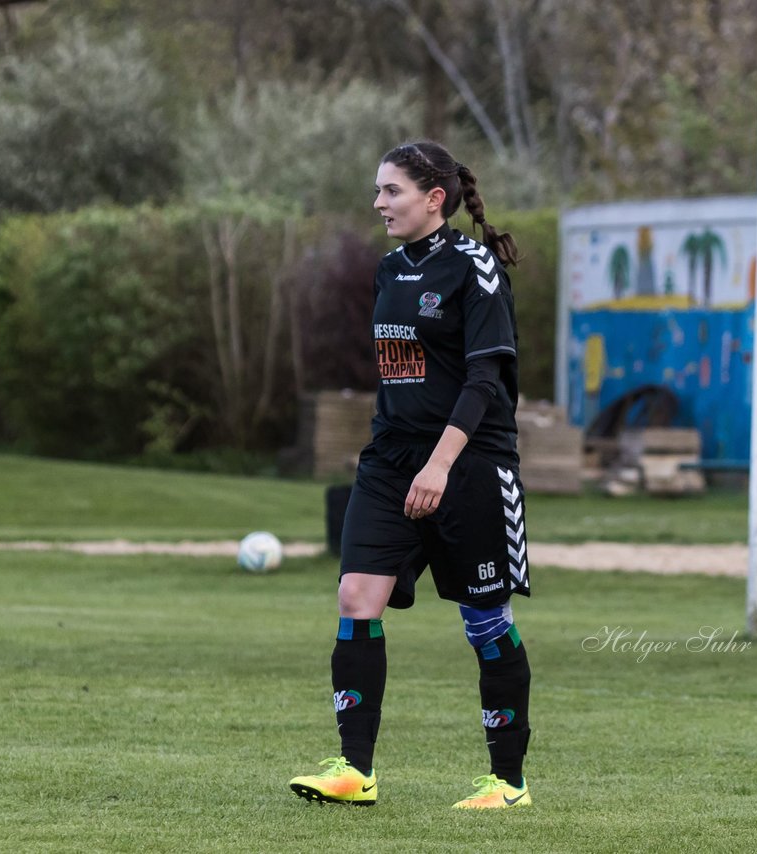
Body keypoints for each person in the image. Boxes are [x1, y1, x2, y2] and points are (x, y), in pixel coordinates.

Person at [289, 141, 532, 809]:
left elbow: (485, 380)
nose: (377, 203)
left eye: (390, 190)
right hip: (390, 464)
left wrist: (441, 464)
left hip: (471, 467)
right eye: (377, 190)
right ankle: (353, 771)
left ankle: (508, 784)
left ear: (433, 198)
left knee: (484, 622)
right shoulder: (389, 268)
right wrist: (399, 454)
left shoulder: (476, 269)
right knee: (356, 600)